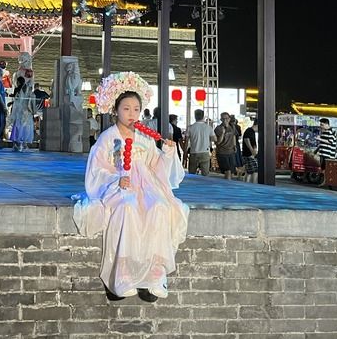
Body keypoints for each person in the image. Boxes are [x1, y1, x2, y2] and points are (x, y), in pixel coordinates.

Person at [73, 71, 188, 303]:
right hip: (119, 188)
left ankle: (155, 272)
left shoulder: (145, 138)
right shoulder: (108, 138)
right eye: (126, 109)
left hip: (147, 187)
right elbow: (97, 170)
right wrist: (115, 180)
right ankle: (123, 272)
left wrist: (167, 153)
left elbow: (156, 167)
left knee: (160, 207)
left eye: (136, 109)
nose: (132, 114)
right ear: (116, 110)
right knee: (127, 207)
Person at [184, 109, 216, 176]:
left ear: (195, 116)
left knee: (192, 174)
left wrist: (185, 153)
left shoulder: (190, 127)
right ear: (203, 116)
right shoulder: (208, 127)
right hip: (205, 152)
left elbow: (186, 142)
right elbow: (214, 139)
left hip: (193, 152)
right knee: (205, 175)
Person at [8, 76, 35, 152]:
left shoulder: (18, 89)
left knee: (18, 126)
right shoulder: (30, 92)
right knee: (25, 127)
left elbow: (16, 100)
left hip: (20, 111)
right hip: (26, 112)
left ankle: (17, 143)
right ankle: (23, 143)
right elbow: (31, 102)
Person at [214, 112, 237, 180]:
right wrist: (222, 133)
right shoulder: (218, 128)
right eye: (223, 119)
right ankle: (227, 185)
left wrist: (234, 145)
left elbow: (234, 136)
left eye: (226, 118)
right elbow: (217, 142)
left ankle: (228, 184)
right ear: (221, 119)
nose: (225, 120)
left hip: (231, 152)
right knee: (228, 171)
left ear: (229, 119)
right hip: (222, 153)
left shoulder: (232, 127)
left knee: (231, 172)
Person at [316, 117, 337, 184]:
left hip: (328, 154)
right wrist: (316, 150)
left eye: (322, 125)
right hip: (322, 153)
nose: (321, 126)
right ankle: (324, 181)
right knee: (323, 168)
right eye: (320, 125)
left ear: (326, 124)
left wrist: (320, 139)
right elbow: (322, 143)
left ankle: (325, 182)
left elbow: (330, 141)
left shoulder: (331, 132)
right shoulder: (324, 132)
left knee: (326, 168)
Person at [242, 118, 259, 183]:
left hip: (248, 154)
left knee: (249, 171)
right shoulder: (249, 131)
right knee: (255, 171)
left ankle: (247, 183)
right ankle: (254, 184)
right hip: (249, 154)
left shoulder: (251, 131)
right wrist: (252, 150)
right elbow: (246, 140)